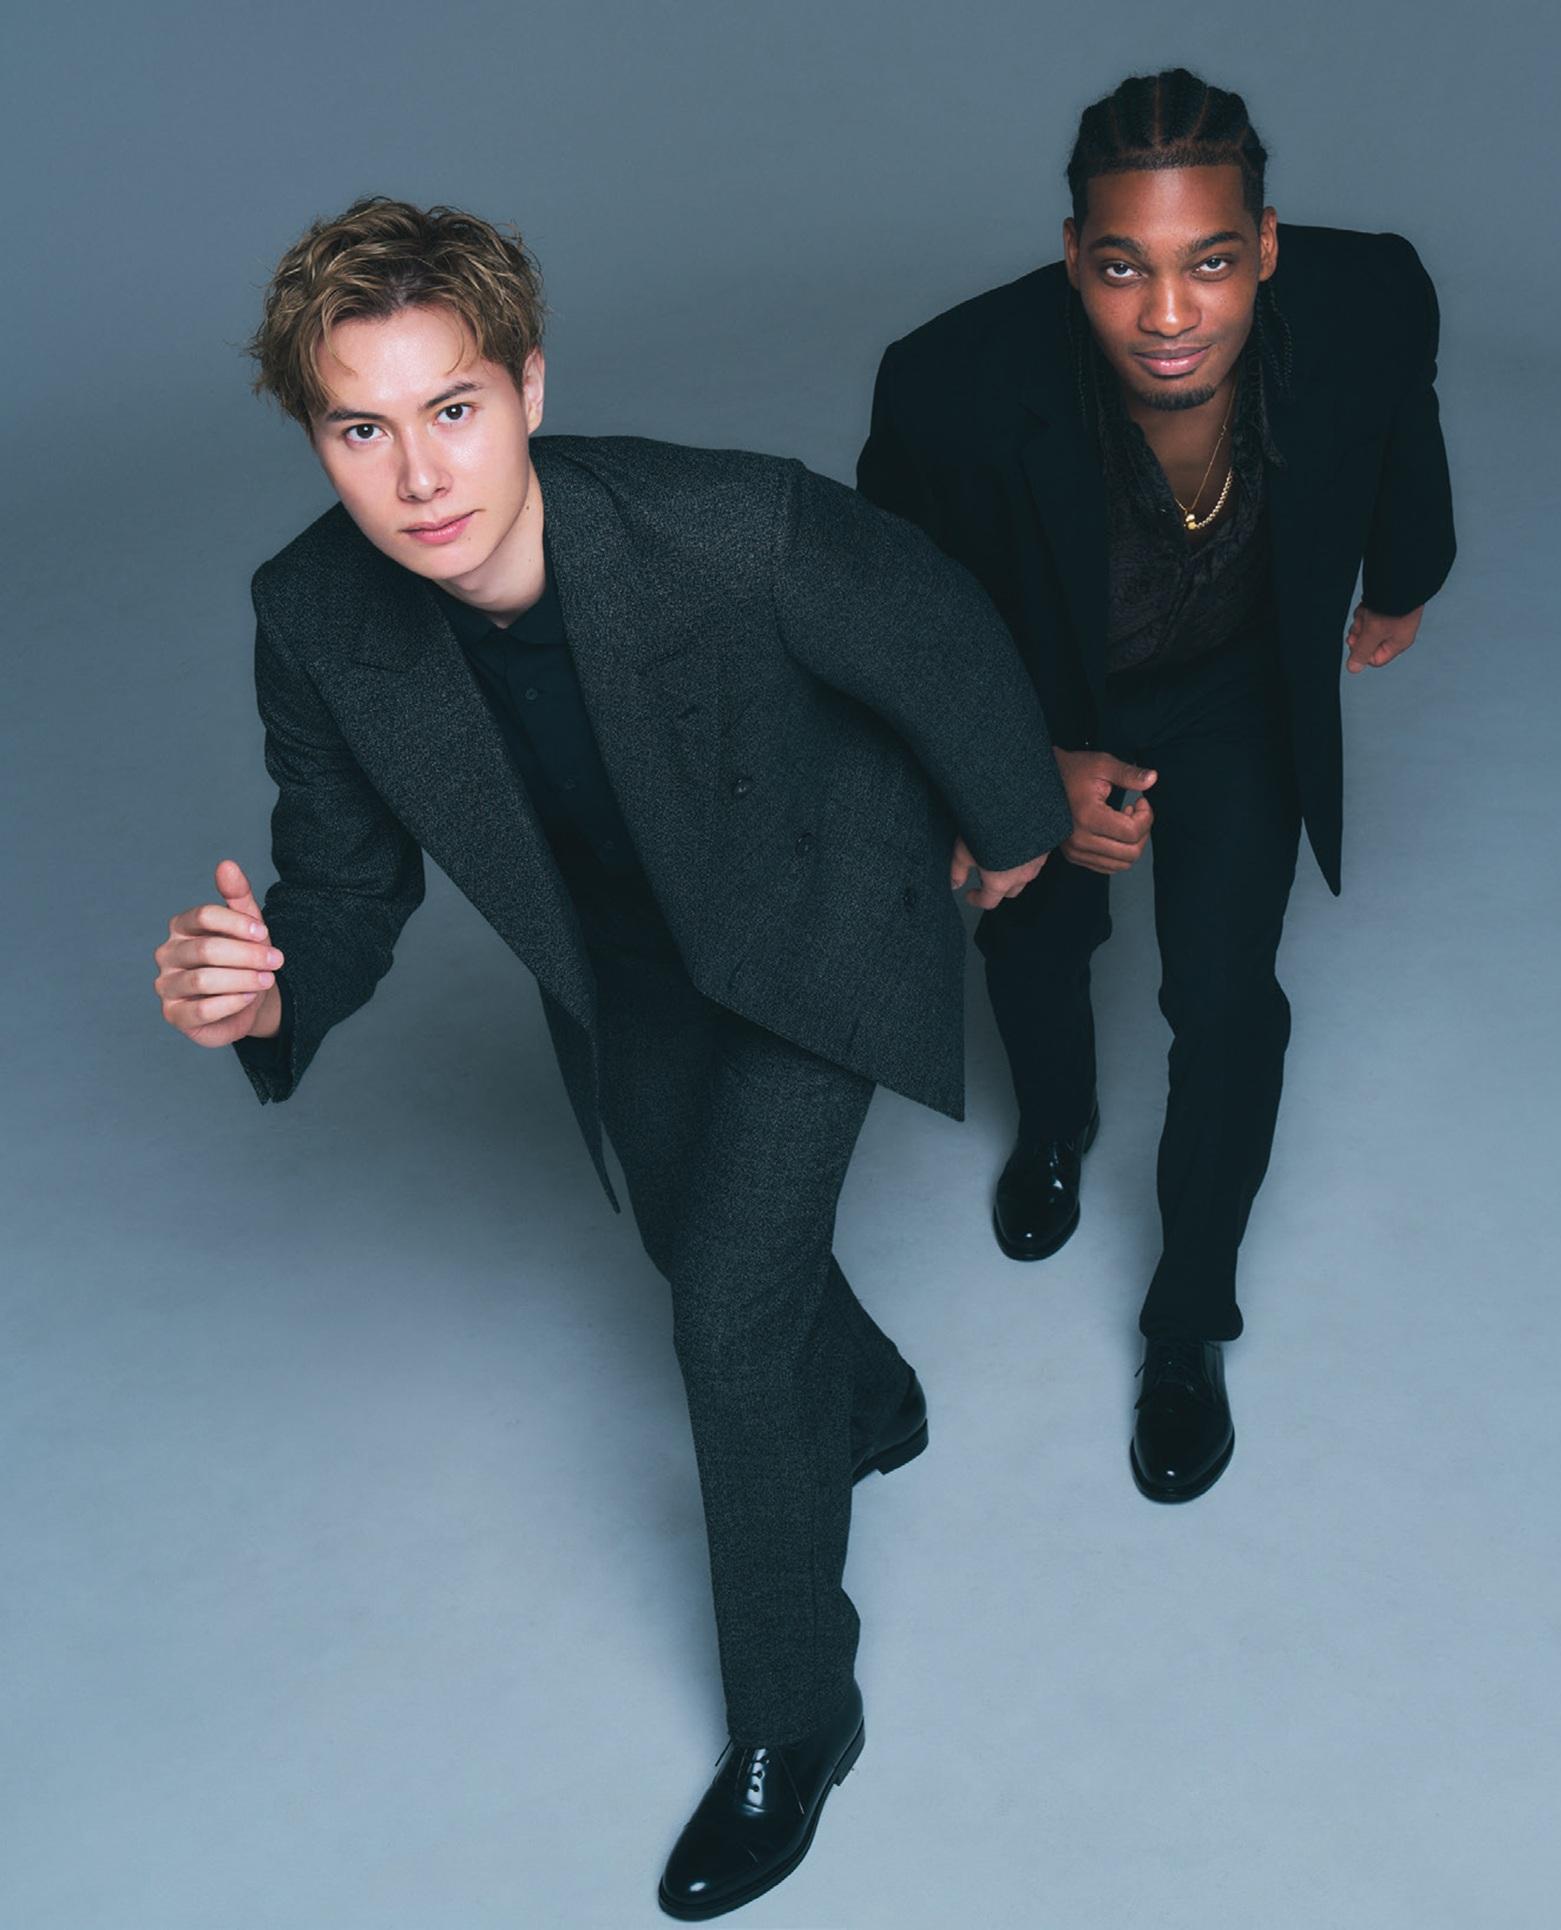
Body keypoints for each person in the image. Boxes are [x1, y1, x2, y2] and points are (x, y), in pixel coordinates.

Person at [149, 196, 1068, 1922]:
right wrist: (261, 998)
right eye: (361, 428)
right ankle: (870, 1400)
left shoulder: (729, 527)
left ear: (528, 386)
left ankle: (796, 1716)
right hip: (626, 958)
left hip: (819, 910)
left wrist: (1014, 830)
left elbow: (935, 626)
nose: (419, 475)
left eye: (453, 407)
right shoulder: (315, 615)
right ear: (314, 438)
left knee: (726, 1314)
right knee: (688, 1229)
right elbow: (342, 889)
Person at [858, 68, 1456, 1505]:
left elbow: (1403, 421)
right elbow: (886, 618)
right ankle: (1055, 1128)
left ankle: (1188, 1319)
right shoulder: (950, 386)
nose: (1171, 315)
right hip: (1051, 696)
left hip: (1239, 690)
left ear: (1268, 248)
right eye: (1125, 268)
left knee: (1229, 1002)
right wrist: (1019, 769)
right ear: (1074, 256)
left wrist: (1404, 577)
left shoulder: (1371, 301)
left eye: (1211, 264)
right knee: (1036, 940)